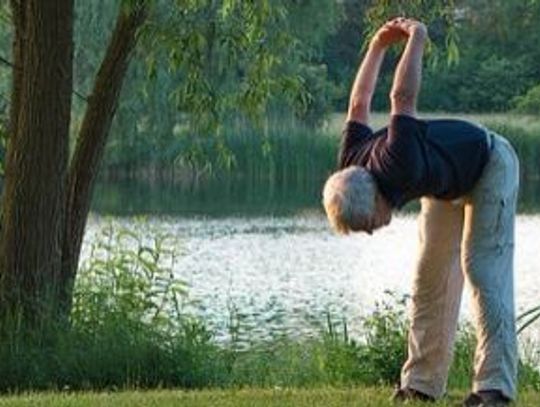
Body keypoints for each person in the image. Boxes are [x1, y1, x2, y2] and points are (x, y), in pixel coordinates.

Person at [322, 18, 519, 407]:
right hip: (446, 184)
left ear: (375, 198)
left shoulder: (398, 162)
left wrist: (417, 38)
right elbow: (359, 103)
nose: (373, 231)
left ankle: (495, 388)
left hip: (491, 164)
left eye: (368, 225)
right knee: (430, 278)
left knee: (481, 268)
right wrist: (377, 45)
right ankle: (421, 385)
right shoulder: (351, 163)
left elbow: (402, 97)